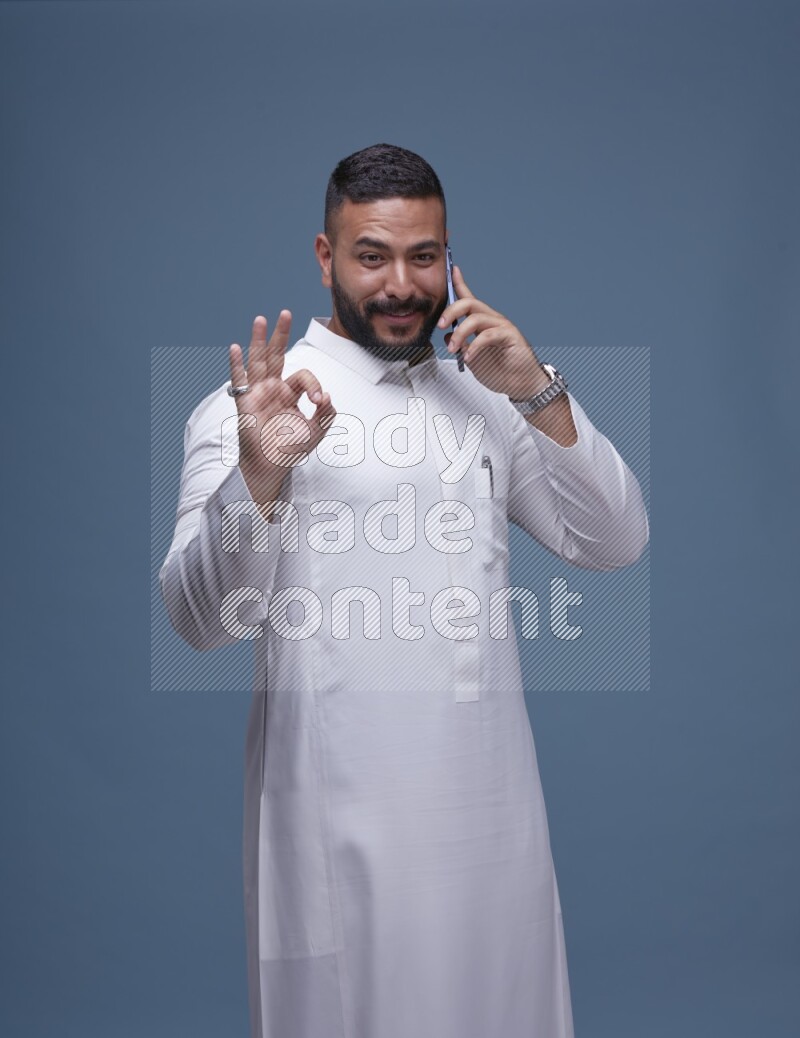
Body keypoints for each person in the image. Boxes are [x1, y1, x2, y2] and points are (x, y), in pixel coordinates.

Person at [160, 143, 649, 1038]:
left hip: (494, 822)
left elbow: (615, 542)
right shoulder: (251, 409)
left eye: (423, 256)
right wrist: (259, 472)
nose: (401, 284)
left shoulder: (487, 400)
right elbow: (197, 622)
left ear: (450, 255)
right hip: (339, 829)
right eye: (372, 256)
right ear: (325, 258)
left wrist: (536, 390)